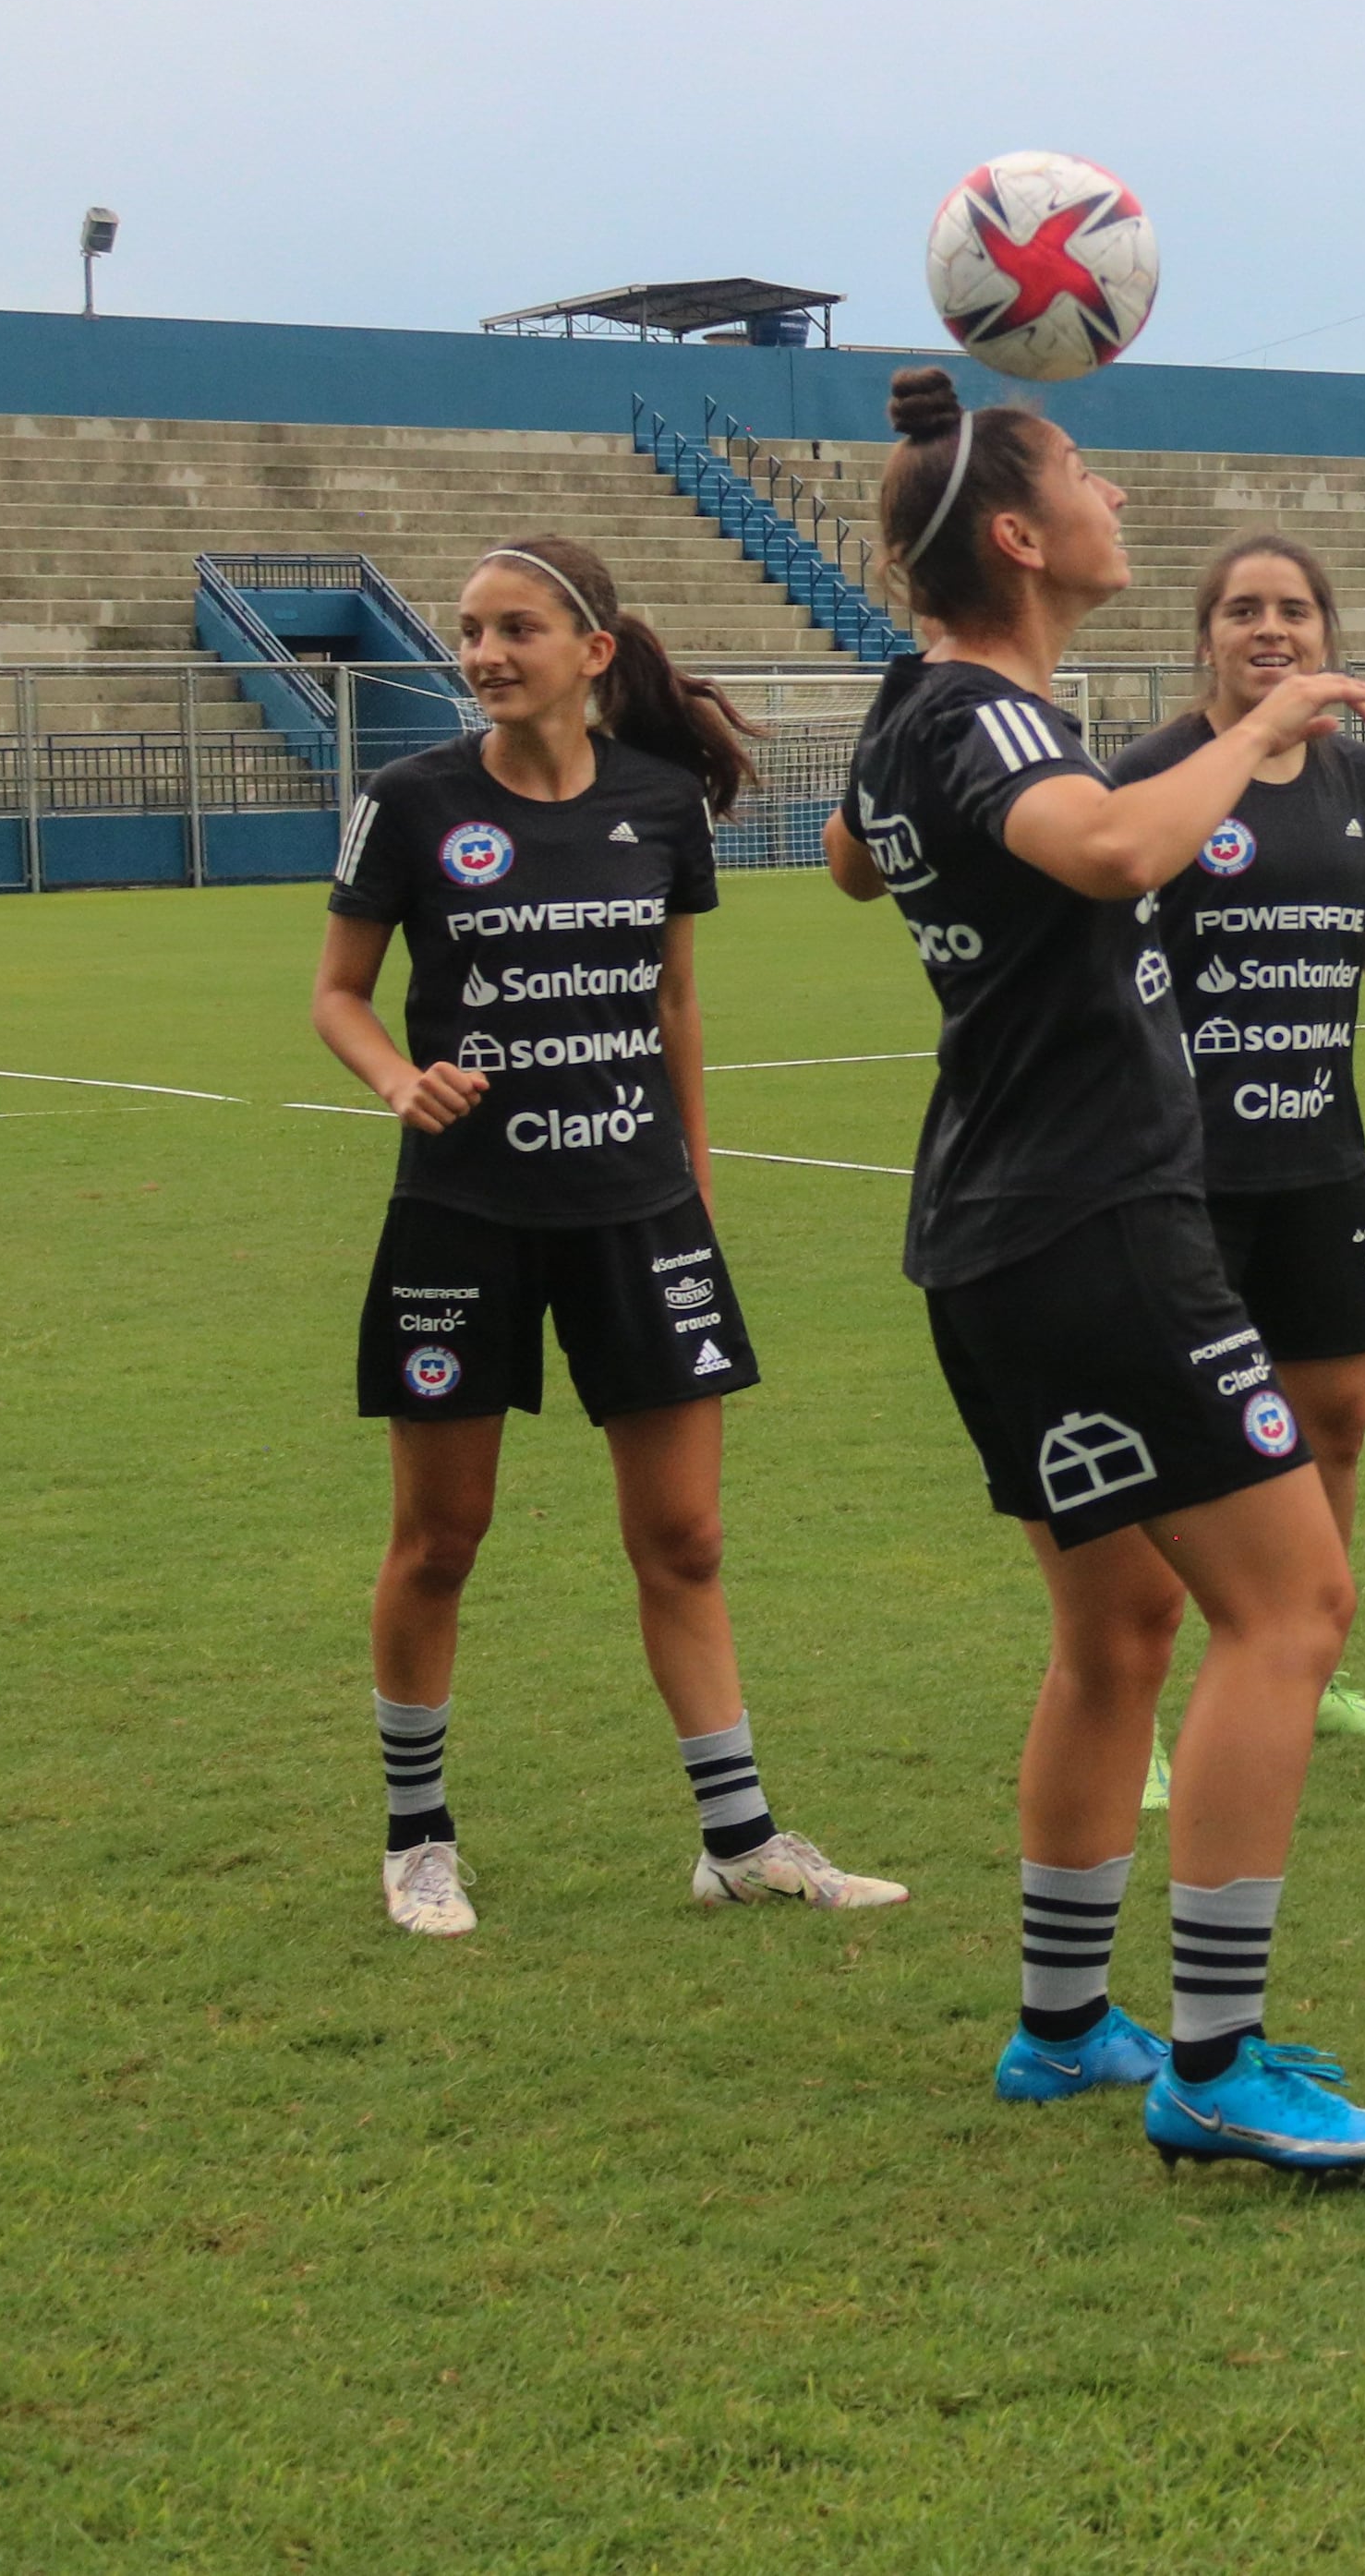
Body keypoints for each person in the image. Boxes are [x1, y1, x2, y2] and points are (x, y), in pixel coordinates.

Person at [824, 370, 1365, 2173]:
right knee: (1292, 1609)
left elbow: (852, 862)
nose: (1115, 498)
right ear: (1018, 535)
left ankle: (1065, 2027)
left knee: (1117, 1629)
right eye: (1082, 474)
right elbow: (1110, 844)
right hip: (1093, 1224)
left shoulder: (933, 707)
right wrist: (1253, 722)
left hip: (998, 1231)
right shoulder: (992, 719)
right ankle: (1218, 2063)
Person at [314, 535, 903, 1938]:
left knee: (687, 1538)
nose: (483, 653)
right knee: (442, 1537)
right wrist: (402, 1079)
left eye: (516, 627)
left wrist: (694, 1171)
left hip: (638, 1211)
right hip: (462, 1215)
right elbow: (338, 992)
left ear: (591, 651)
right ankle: (417, 1837)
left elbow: (677, 1002)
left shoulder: (661, 802)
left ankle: (741, 1840)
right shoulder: (408, 803)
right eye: (468, 629)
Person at [1113, 531, 1365, 1739]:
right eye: (1242, 609)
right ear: (1207, 637)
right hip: (1179, 1173)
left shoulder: (1361, 782)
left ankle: (1310, 1666)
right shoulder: (1157, 772)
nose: (1269, 628)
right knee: (1172, 1434)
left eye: (1292, 608)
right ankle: (1132, 1705)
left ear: (1327, 635)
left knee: (1333, 1413)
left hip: (1320, 1159)